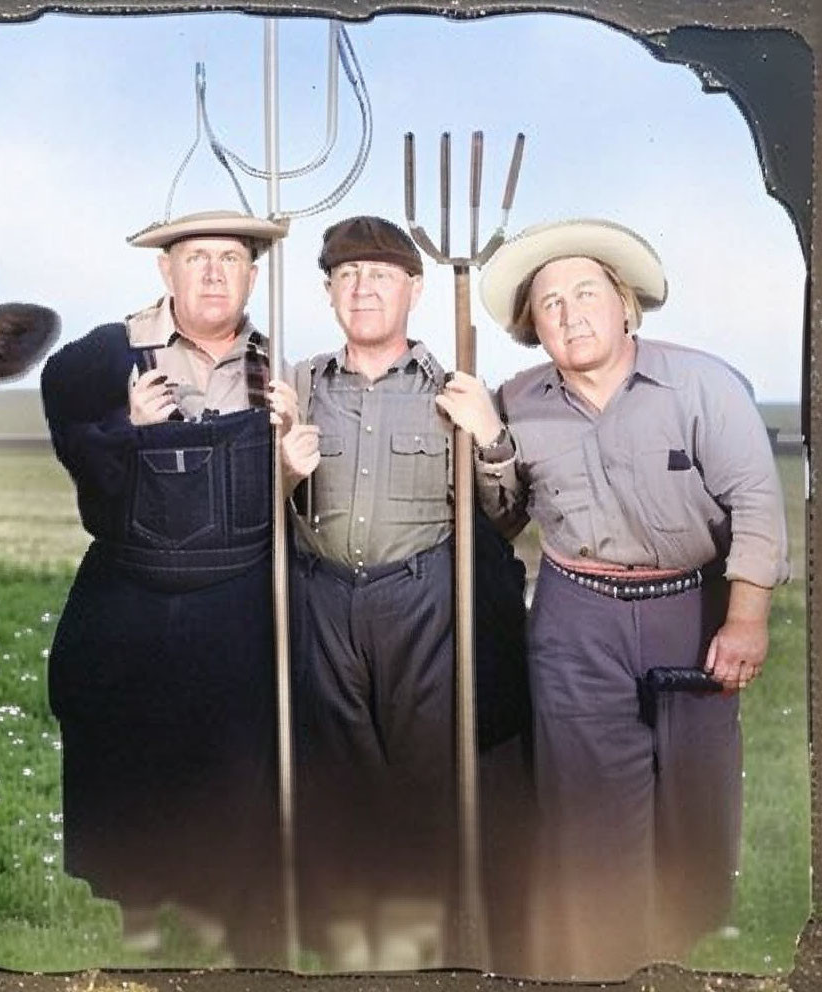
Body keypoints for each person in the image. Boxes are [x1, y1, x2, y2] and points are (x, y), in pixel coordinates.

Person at [437, 218, 790, 979]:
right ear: (535, 330)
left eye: (585, 293)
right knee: (591, 813)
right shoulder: (518, 400)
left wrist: (747, 617)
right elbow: (502, 520)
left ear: (626, 305)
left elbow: (757, 500)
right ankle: (606, 962)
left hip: (689, 610)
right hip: (576, 616)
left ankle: (681, 958)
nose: (569, 314)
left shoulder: (704, 384)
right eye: (550, 304)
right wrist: (492, 442)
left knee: (695, 808)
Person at [39, 209, 291, 966]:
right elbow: (77, 450)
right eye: (195, 258)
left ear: (253, 273)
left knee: (235, 756)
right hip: (134, 590)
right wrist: (125, 430)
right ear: (165, 271)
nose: (213, 273)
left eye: (230, 259)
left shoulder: (275, 365)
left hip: (236, 594)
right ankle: (137, 917)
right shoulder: (106, 354)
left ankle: (227, 910)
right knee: (128, 751)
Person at [279, 216, 529, 971]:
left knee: (427, 777)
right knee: (339, 773)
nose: (362, 289)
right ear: (327, 293)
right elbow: (271, 513)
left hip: (423, 601)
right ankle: (355, 946)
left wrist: (488, 438)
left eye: (379, 275)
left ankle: (434, 950)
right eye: (346, 277)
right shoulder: (296, 388)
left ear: (413, 290)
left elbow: (506, 517)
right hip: (322, 599)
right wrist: (283, 472)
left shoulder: (454, 389)